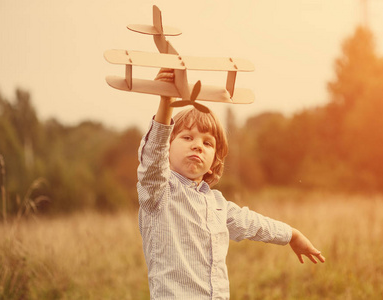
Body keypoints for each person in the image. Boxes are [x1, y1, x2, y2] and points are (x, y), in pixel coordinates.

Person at [136, 69, 325, 299]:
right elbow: (153, 155)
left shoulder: (217, 204)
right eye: (187, 137)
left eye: (208, 143)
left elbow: (254, 224)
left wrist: (291, 235)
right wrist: (166, 103)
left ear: (214, 160)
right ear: (168, 147)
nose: (198, 146)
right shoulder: (159, 193)